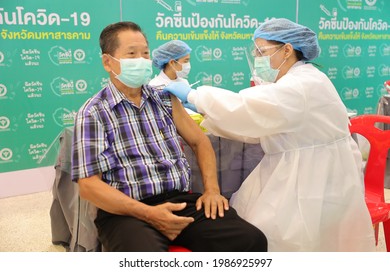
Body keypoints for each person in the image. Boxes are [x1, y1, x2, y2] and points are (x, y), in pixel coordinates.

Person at [163, 18, 376, 252]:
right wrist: (206, 112)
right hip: (306, 168)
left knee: (293, 238)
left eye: (262, 51)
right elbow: (260, 123)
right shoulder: (298, 80)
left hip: (311, 176)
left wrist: (195, 96)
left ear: (287, 49)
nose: (258, 58)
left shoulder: (301, 85)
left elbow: (247, 108)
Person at [71, 21, 267, 252]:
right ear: (107, 62)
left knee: (251, 240)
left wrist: (212, 190)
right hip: (127, 211)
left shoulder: (165, 99)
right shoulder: (94, 112)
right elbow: (88, 186)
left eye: (145, 53)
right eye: (131, 54)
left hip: (180, 200)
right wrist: (150, 214)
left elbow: (199, 141)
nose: (142, 60)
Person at [150, 40, 197, 113]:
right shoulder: (154, 86)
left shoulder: (184, 82)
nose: (188, 65)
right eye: (185, 61)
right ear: (172, 62)